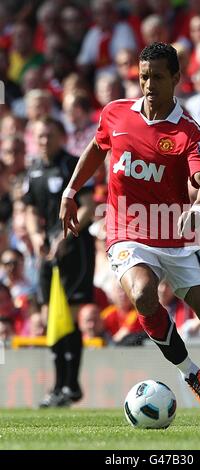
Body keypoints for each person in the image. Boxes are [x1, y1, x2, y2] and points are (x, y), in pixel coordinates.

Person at [59, 43, 200, 429]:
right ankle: (189, 373)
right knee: (143, 293)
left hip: (176, 235)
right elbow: (96, 149)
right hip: (126, 231)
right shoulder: (115, 113)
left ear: (176, 79)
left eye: (158, 77)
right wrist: (70, 191)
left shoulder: (187, 131)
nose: (149, 85)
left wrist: (198, 208)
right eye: (144, 76)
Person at [23, 117, 95, 407]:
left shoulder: (72, 165)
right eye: (39, 136)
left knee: (70, 313)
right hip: (48, 251)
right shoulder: (34, 170)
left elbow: (89, 205)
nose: (44, 141)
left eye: (49, 135)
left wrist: (67, 236)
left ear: (61, 137)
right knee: (48, 315)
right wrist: (36, 234)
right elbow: (28, 210)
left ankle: (71, 384)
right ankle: (58, 386)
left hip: (74, 251)